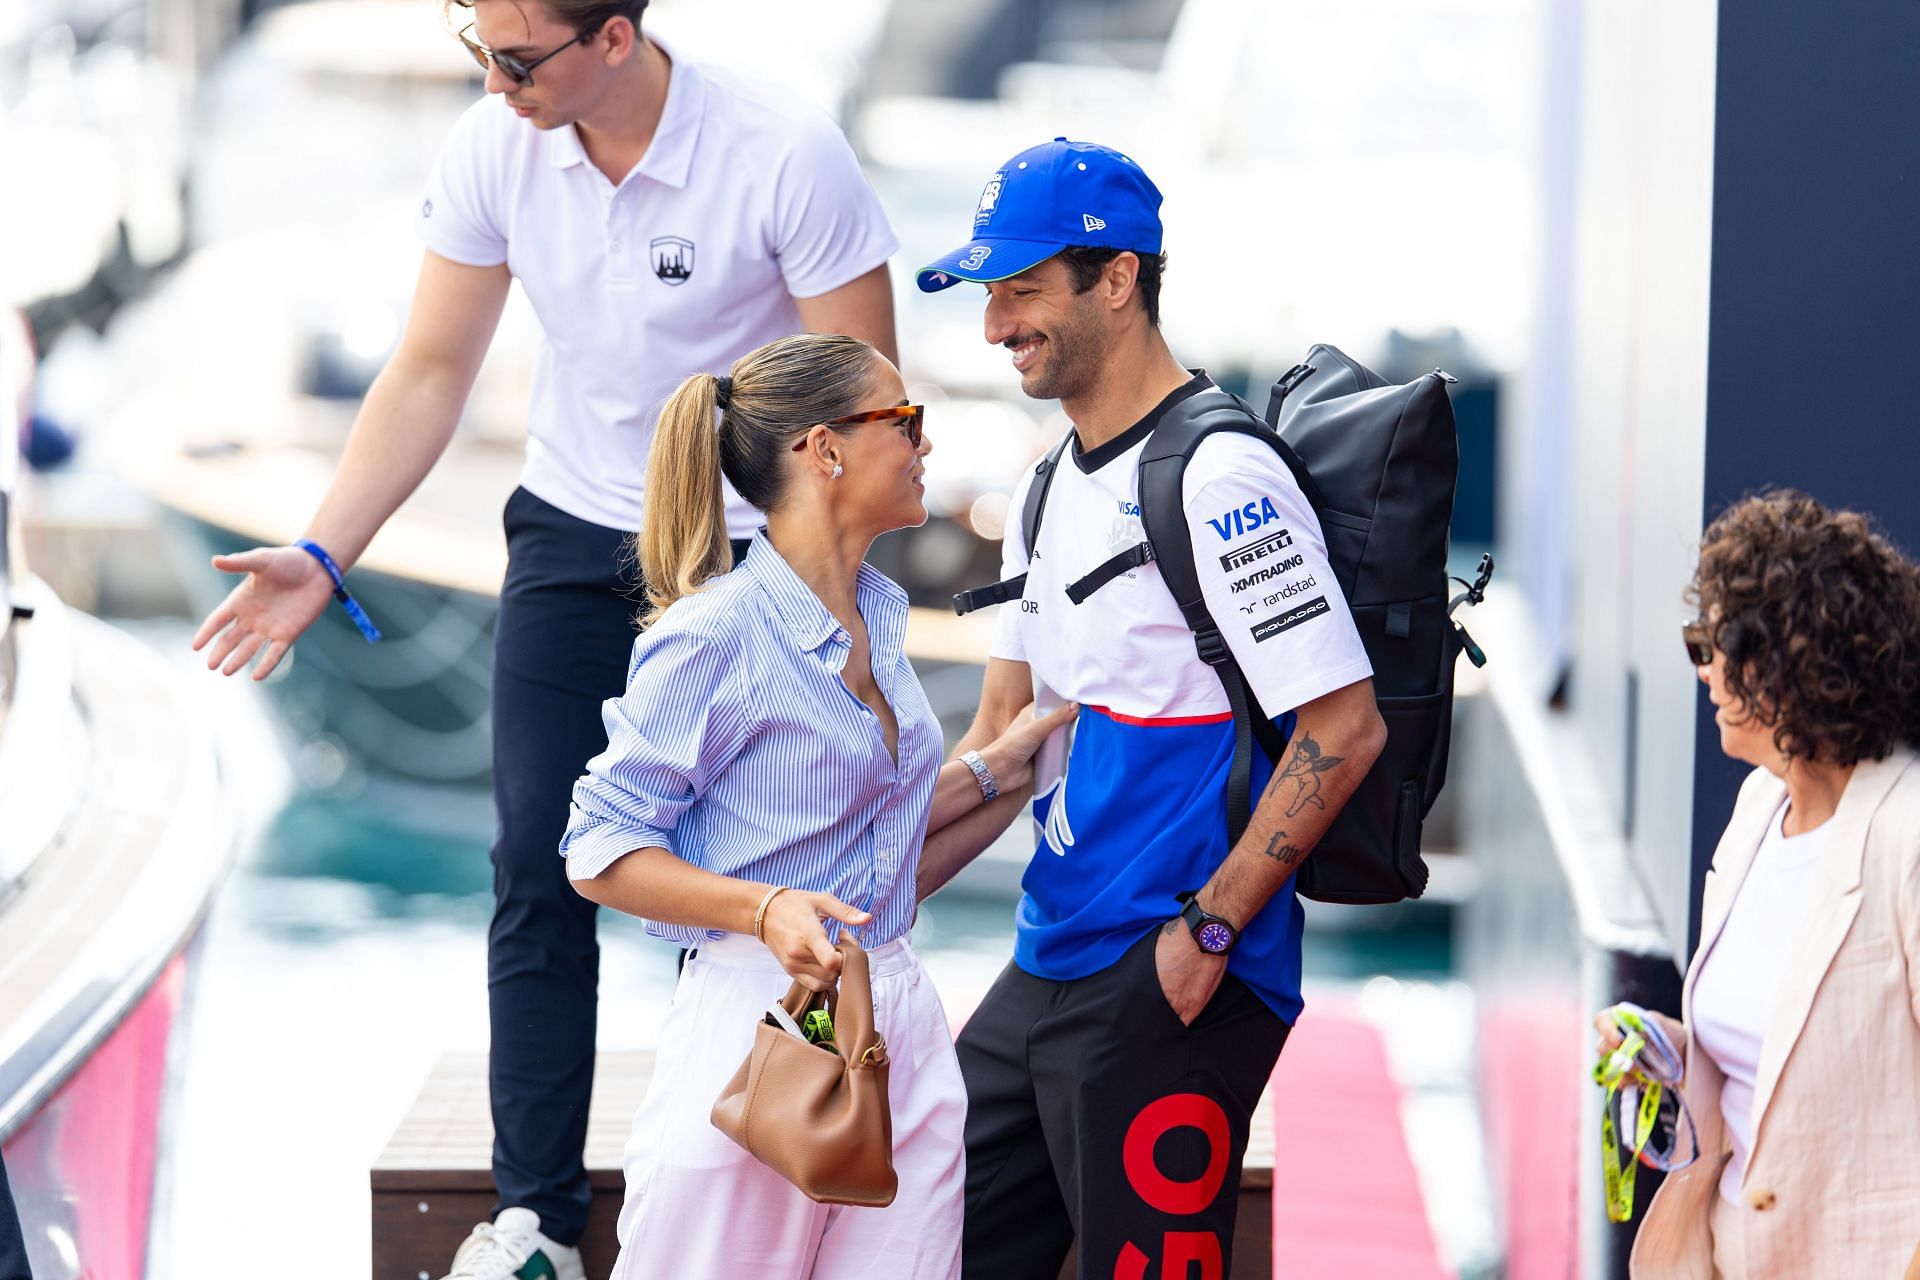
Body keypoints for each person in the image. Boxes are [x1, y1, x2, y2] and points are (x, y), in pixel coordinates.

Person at [187, 1, 899, 1273]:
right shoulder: (494, 146)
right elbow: (427, 368)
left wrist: (837, 614)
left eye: (518, 60)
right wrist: (320, 553)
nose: (495, 81)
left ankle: (738, 1182)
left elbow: (865, 396)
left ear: (616, 38)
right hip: (575, 532)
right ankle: (540, 1221)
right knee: (541, 861)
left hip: (753, 555)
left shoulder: (783, 148)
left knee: (740, 886)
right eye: (483, 53)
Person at [916, 139, 1387, 1277]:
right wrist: (854, 886)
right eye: (989, 296)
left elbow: (1345, 727)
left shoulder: (1221, 478)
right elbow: (1003, 740)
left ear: (1118, 278)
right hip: (1051, 954)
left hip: (1177, 968)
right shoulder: (1044, 482)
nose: (994, 326)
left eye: (1022, 290)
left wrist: (1209, 934)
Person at [559, 331, 1075, 1279]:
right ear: (824, 449)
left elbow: (875, 849)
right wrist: (763, 908)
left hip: (898, 1015)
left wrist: (1010, 759)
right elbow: (596, 847)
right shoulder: (716, 632)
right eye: (905, 420)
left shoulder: (877, 609)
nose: (926, 443)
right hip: (765, 1022)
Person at [1593, 490, 1920, 1279]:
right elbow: (1787, 1059)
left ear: (1787, 662)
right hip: (1717, 1252)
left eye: (1710, 642)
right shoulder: (1759, 807)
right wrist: (1678, 1050)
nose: (1700, 668)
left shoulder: (1906, 834)